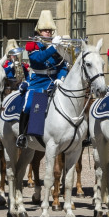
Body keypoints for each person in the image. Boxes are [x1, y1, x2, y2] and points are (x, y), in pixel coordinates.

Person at [16, 10, 68, 148]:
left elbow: (63, 65)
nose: (48, 33)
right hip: (38, 82)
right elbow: (38, 59)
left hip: (53, 82)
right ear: (39, 31)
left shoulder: (56, 46)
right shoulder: (33, 45)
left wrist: (61, 77)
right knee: (27, 106)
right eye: (45, 30)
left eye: (50, 31)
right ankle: (22, 135)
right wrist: (53, 47)